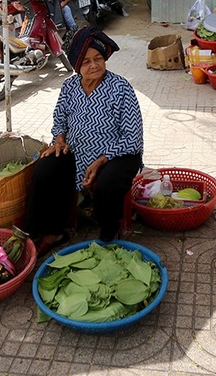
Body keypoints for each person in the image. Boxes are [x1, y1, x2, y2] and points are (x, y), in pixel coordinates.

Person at [22, 26, 143, 253]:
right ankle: (51, 231)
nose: (94, 65)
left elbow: (133, 138)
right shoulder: (69, 87)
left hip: (119, 153)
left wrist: (101, 160)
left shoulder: (121, 88)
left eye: (98, 58)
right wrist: (58, 139)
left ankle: (109, 235)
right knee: (45, 168)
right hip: (78, 150)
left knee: (108, 182)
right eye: (86, 62)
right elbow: (60, 119)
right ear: (77, 66)